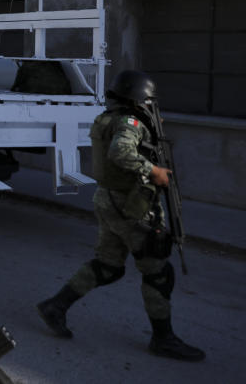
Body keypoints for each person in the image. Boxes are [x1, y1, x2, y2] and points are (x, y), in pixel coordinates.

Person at [36, 70, 205, 361]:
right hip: (132, 206)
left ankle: (55, 306)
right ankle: (163, 338)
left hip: (109, 200)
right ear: (139, 99)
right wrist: (153, 170)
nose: (151, 107)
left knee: (108, 266)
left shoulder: (110, 118)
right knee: (158, 272)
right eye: (148, 101)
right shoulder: (130, 123)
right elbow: (120, 152)